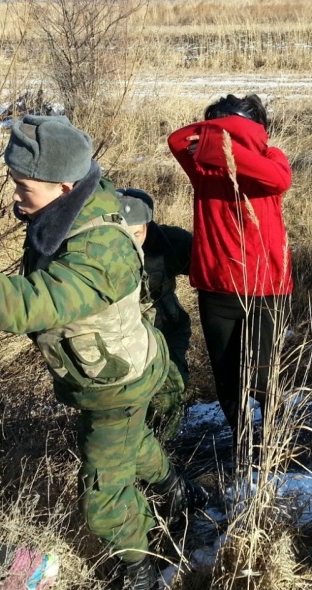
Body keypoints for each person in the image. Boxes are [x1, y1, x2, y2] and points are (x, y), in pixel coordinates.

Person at [0, 115, 201, 590]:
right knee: (129, 445)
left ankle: (138, 568)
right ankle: (175, 491)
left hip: (115, 385)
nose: (15, 194)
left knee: (103, 492)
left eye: (23, 184)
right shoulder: (68, 208)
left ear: (65, 184)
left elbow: (32, 305)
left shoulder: (100, 250)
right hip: (112, 375)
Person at [167, 94, 293, 462]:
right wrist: (218, 137)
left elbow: (280, 180)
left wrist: (224, 140)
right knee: (227, 377)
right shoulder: (203, 167)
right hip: (217, 288)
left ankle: (273, 439)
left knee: (263, 376)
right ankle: (242, 441)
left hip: (266, 288)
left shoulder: (272, 158)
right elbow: (176, 139)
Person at [117, 188, 192, 441]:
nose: (130, 240)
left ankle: (165, 449)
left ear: (148, 225)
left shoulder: (170, 242)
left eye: (136, 233)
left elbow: (210, 264)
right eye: (123, 233)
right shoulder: (100, 247)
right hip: (123, 337)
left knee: (171, 388)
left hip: (166, 329)